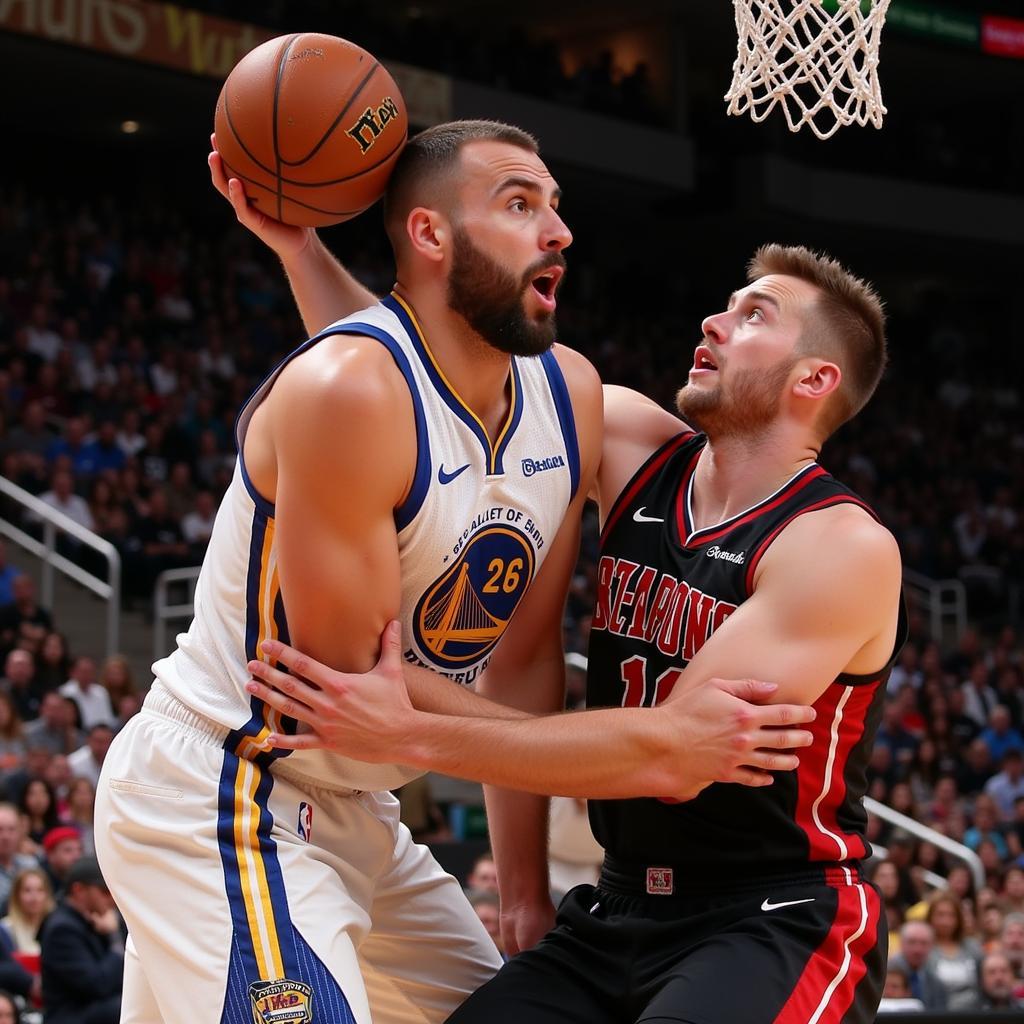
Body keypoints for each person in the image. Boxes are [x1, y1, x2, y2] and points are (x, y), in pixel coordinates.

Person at [94, 120, 811, 1024]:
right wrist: (635, 747)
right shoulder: (345, 390)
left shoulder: (568, 394)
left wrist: (522, 891)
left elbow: (517, 661)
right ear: (431, 235)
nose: (559, 231)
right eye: (520, 204)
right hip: (229, 792)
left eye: (556, 206)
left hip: (365, 818)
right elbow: (354, 699)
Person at [247, 244, 907, 1024]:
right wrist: (299, 245)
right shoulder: (626, 438)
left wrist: (413, 731)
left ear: (815, 380)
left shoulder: (839, 547)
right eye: (728, 302)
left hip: (774, 915)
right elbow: (415, 376)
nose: (715, 320)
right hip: (620, 905)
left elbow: (668, 755)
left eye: (754, 313)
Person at [38, 855, 122, 1024]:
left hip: (95, 1010)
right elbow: (97, 985)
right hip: (71, 1016)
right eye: (105, 891)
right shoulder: (61, 929)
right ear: (79, 890)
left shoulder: (98, 919)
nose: (112, 899)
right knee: (126, 1007)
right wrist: (115, 940)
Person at [890, 920, 948, 1012]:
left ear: (932, 946)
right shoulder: (886, 975)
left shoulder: (936, 982)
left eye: (924, 943)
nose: (918, 950)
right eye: (912, 942)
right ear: (901, 943)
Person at [0, 867, 54, 955]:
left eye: (40, 890)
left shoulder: (55, 927)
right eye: (27, 890)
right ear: (16, 895)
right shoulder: (5, 930)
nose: (34, 897)